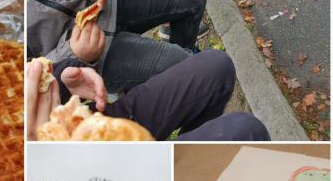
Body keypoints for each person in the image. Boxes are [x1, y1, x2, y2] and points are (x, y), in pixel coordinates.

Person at [27, 51, 270, 142]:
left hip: (99, 122)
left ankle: (191, 144)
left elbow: (36, 66)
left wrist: (66, 75)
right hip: (100, 169)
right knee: (246, 130)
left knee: (217, 65)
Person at [27, 0, 207, 93]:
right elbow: (26, 85)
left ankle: (185, 54)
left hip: (102, 1)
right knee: (193, 68)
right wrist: (74, 55)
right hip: (82, 57)